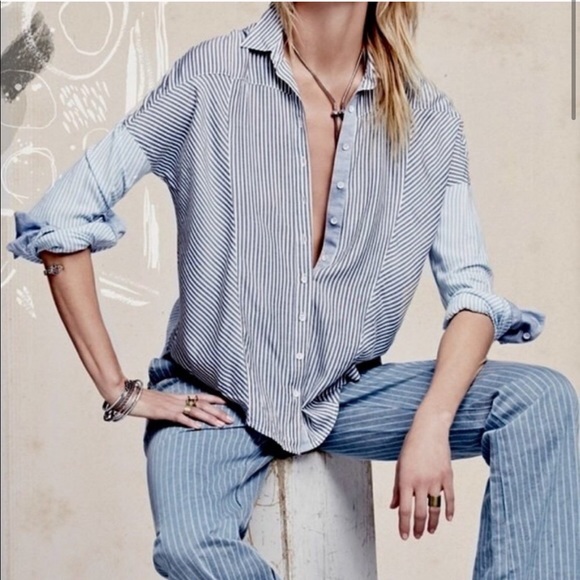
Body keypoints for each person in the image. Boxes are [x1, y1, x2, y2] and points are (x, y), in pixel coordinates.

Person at [7, 2, 579, 579]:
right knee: (188, 546)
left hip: (346, 394)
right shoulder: (212, 76)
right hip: (214, 400)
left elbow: (473, 297)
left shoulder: (428, 118)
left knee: (539, 402)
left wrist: (433, 422)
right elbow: (62, 215)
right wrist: (121, 390)